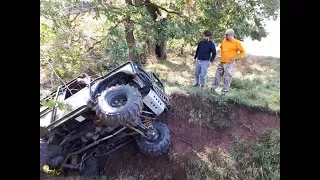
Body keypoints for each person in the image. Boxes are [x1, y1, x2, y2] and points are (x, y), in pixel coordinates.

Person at [211, 29, 246, 96]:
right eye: (225, 34)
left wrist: (236, 58)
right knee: (217, 75)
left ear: (231, 35)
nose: (225, 36)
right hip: (222, 62)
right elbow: (221, 49)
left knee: (227, 77)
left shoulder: (237, 42)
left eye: (226, 35)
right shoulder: (224, 41)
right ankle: (213, 89)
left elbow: (243, 52)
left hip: (229, 63)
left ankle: (224, 92)